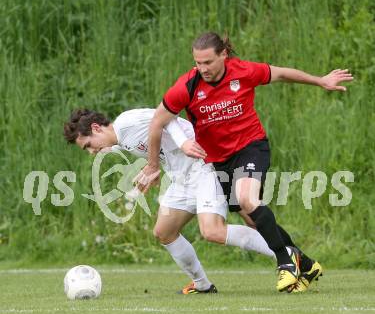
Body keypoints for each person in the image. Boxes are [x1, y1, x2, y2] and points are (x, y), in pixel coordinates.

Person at [138, 32, 353, 293]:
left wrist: (321, 81)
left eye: (208, 62)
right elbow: (157, 123)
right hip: (218, 162)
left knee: (248, 200)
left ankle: (286, 263)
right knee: (253, 219)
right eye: (198, 63)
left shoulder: (244, 71)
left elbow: (283, 74)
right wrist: (152, 165)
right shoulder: (187, 86)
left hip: (251, 147)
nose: (202, 69)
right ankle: (306, 264)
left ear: (223, 55)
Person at [63, 108, 279, 295]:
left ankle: (285, 255)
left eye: (89, 145)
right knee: (164, 231)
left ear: (96, 128)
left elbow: (167, 116)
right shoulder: (121, 141)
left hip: (202, 167)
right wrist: (153, 168)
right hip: (181, 179)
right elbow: (153, 150)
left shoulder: (128, 121)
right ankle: (202, 284)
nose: (92, 152)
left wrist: (184, 142)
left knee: (213, 231)